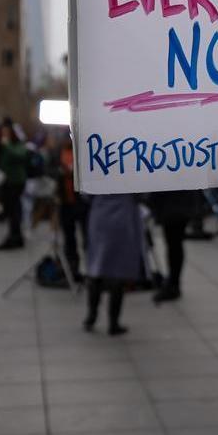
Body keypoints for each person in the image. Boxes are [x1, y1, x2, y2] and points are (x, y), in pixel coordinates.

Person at [84, 193, 144, 335]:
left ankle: (91, 316)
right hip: (124, 216)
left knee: (97, 267)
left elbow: (85, 194)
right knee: (118, 270)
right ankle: (114, 322)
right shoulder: (131, 171)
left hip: (100, 214)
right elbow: (142, 194)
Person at [149, 189, 203, 302]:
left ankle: (173, 284)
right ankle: (173, 283)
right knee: (174, 244)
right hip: (177, 204)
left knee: (174, 245)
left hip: (173, 205)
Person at [56, 136, 88, 279]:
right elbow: (50, 169)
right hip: (65, 201)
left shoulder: (83, 149)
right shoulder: (58, 152)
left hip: (81, 201)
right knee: (69, 238)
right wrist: (60, 173)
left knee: (88, 237)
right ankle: (72, 271)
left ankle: (92, 270)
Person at [0, 121, 29, 250]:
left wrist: (7, 145)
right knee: (10, 210)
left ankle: (16, 236)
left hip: (16, 181)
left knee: (15, 209)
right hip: (6, 180)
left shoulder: (16, 144)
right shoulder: (3, 145)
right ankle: (14, 235)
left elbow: (20, 155)